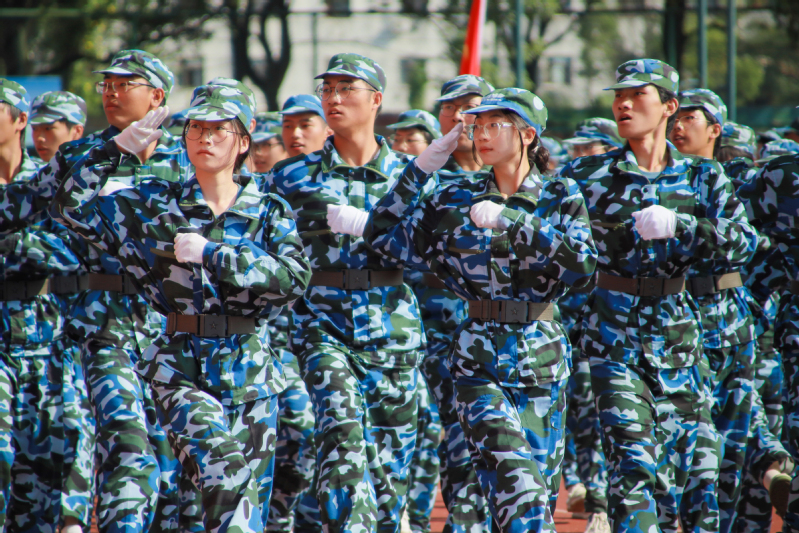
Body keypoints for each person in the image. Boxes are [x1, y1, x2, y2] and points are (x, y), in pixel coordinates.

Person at [51, 82, 311, 533]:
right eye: (196, 128)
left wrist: (214, 254)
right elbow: (69, 208)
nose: (205, 138)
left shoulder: (269, 209)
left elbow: (293, 280)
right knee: (228, 479)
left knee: (221, 512)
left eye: (219, 129)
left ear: (243, 142)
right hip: (181, 368)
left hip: (251, 374)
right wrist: (113, 151)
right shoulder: (152, 203)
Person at [342, 87, 596, 533]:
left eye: (496, 124)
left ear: (528, 135)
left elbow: (583, 268)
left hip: (541, 355)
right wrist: (421, 169)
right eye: (478, 125)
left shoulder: (560, 193)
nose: (482, 134)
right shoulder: (455, 195)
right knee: (517, 483)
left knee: (531, 499)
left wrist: (515, 221)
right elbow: (382, 235)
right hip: (478, 358)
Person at [559, 59, 757, 533]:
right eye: (618, 96)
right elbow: (554, 244)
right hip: (613, 337)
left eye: (637, 95)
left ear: (669, 106)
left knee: (695, 472)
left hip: (681, 336)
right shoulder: (586, 175)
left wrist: (683, 226)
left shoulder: (703, 176)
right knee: (634, 464)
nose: (624, 105)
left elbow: (744, 242)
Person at [0, 50, 193, 533]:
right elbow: (16, 206)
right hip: (101, 326)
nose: (111, 93)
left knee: (172, 462)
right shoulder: (80, 156)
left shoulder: (186, 157)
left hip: (173, 330)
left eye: (125, 84)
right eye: (107, 84)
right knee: (125, 441)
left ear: (157, 96)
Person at [264, 53, 430, 533]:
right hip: (322, 328)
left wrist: (373, 228)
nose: (333, 98)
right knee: (341, 439)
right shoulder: (291, 176)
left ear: (376, 100)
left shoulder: (411, 175)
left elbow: (434, 254)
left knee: (388, 473)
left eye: (346, 89)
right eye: (328, 89)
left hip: (393, 330)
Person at [0, 79, 93, 533]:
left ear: (19, 119)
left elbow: (74, 250)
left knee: (47, 472)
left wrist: (12, 244)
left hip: (49, 341)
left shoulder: (47, 183)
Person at [671, 88, 759, 533]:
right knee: (695, 446)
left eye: (690, 117)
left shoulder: (733, 182)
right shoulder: (662, 179)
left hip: (732, 323)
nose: (678, 125)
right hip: (680, 325)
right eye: (675, 116)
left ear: (714, 129)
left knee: (733, 445)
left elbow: (749, 243)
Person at [387, 107, 445, 533]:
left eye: (413, 139)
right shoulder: (394, 187)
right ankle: (400, 511)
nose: (403, 146)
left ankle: (419, 516)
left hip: (444, 330)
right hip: (398, 327)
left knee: (431, 427)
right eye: (398, 138)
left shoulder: (438, 190)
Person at [28, 91, 87, 163]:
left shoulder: (93, 168)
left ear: (77, 131)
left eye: (48, 128)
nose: (39, 138)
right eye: (34, 128)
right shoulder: (29, 168)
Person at [280, 94, 332, 159]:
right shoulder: (279, 166)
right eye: (288, 126)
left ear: (328, 133)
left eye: (305, 125)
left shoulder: (339, 165)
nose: (295, 134)